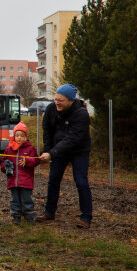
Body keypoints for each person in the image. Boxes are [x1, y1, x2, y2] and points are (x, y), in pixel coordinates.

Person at [37, 84, 93, 229]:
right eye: (55, 99)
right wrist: (48, 151)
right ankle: (49, 212)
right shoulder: (51, 109)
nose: (57, 102)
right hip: (57, 151)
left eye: (61, 100)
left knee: (81, 181)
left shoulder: (81, 114)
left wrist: (51, 153)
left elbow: (72, 139)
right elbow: (47, 131)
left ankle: (86, 217)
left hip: (79, 151)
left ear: (71, 101)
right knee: (53, 179)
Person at [0, 122, 40, 225]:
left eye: (22, 136)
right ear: (14, 136)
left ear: (26, 137)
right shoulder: (9, 149)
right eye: (17, 135)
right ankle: (15, 217)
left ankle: (29, 217)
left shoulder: (30, 149)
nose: (19, 138)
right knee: (15, 200)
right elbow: (3, 161)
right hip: (13, 180)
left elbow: (36, 160)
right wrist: (5, 166)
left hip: (26, 181)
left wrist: (28, 161)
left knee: (27, 200)